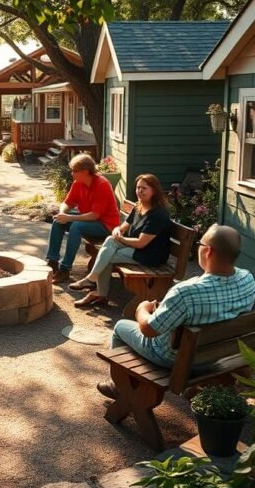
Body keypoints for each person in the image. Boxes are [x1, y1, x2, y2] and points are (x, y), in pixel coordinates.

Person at [97, 223, 255, 397]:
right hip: (219, 355)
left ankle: (119, 386)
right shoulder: (248, 279)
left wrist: (142, 310)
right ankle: (198, 389)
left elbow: (149, 330)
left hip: (177, 360)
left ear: (208, 251)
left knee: (120, 327)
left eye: (199, 245)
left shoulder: (186, 292)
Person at [71, 173, 172, 308]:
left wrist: (121, 239)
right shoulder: (138, 207)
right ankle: (95, 285)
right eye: (138, 188)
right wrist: (117, 231)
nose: (140, 191)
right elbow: (122, 227)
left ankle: (97, 289)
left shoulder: (157, 215)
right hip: (136, 249)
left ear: (154, 190)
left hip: (150, 255)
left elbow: (142, 243)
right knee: (109, 245)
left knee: (107, 256)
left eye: (144, 188)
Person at [45, 153, 120, 283]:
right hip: (89, 220)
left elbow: (95, 215)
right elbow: (67, 203)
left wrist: (69, 217)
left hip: (106, 225)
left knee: (76, 226)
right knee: (58, 221)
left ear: (85, 172)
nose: (72, 173)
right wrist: (63, 214)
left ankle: (65, 269)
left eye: (75, 171)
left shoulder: (102, 185)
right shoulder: (78, 183)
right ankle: (53, 262)